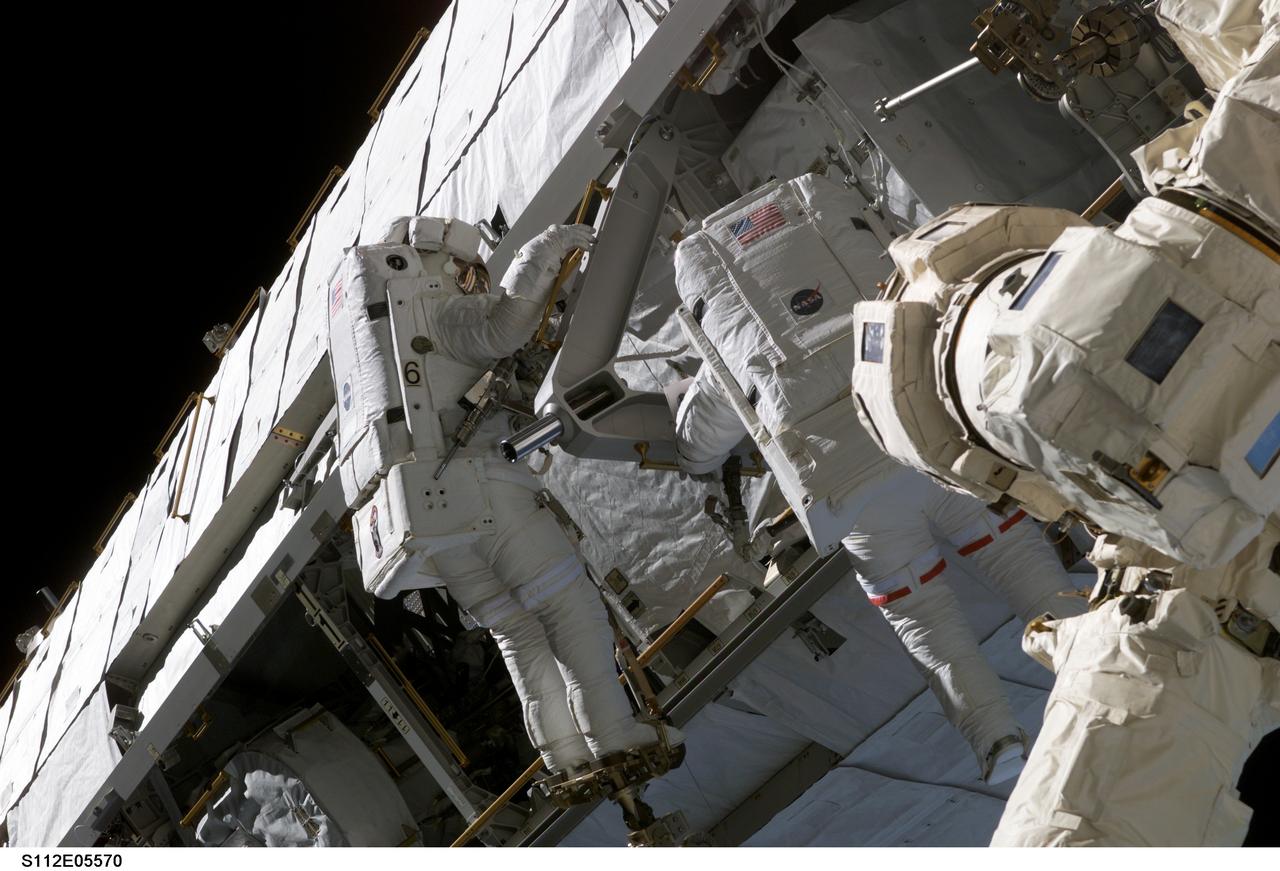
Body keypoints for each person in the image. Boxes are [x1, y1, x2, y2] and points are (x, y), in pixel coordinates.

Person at [672, 174, 1085, 782]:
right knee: (1022, 560)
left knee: (925, 619)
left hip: (851, 487)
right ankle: (1099, 665)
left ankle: (996, 739)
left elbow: (701, 443)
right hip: (925, 432)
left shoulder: (723, 317)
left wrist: (687, 425)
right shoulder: (829, 216)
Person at [329, 217, 675, 777]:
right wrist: (550, 244)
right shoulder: (438, 311)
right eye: (468, 272)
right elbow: (506, 324)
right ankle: (612, 735)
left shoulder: (381, 355)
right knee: (571, 610)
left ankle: (564, 756)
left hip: (431, 523)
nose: (473, 282)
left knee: (520, 633)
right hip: (484, 495)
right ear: (440, 265)